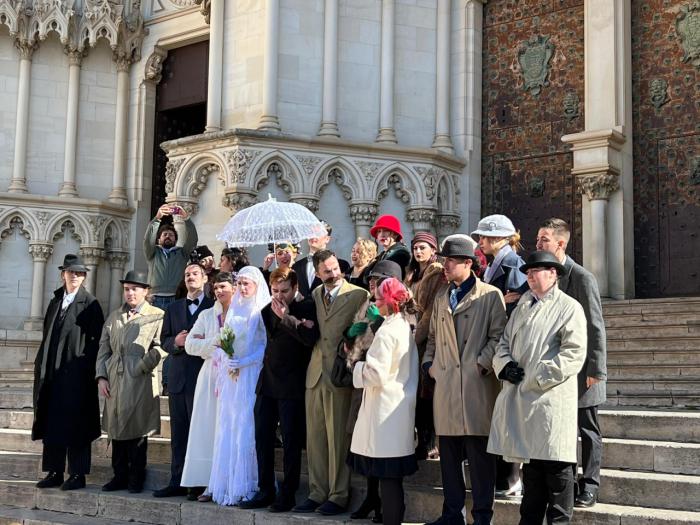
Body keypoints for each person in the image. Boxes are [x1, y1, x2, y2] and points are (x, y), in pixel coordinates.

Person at [488, 251, 587, 525]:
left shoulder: (569, 308)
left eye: (537, 271)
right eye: (528, 272)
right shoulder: (523, 305)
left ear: (553, 274)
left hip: (550, 405)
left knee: (558, 484)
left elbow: (573, 354)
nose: (529, 276)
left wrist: (535, 376)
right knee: (531, 492)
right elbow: (504, 343)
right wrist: (504, 365)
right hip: (525, 408)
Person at [422, 237, 507, 525]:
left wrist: (481, 364)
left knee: (480, 460)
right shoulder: (441, 297)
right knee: (448, 459)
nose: (444, 265)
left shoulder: (490, 295)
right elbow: (433, 338)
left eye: (450, 261)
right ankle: (452, 514)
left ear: (468, 263)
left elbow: (499, 336)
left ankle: (483, 517)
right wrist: (429, 365)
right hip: (446, 387)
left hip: (476, 388)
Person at [536, 218, 607, 508]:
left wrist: (595, 369)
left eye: (544, 240)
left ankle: (589, 485)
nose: (538, 244)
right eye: (538, 239)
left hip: (583, 371)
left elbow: (595, 326)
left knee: (588, 429)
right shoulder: (545, 276)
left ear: (560, 243)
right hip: (557, 370)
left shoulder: (582, 277)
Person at [293, 250, 369, 515]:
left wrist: (351, 357)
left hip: (339, 374)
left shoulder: (358, 294)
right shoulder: (315, 294)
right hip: (315, 375)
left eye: (336, 268)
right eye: (327, 271)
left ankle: (338, 494)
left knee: (337, 436)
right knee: (314, 438)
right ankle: (317, 492)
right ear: (317, 273)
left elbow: (364, 332)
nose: (334, 274)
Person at [240, 268, 319, 512]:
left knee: (291, 442)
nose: (279, 295)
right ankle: (265, 489)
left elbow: (309, 338)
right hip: (268, 382)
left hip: (292, 384)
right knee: (262, 437)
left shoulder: (306, 306)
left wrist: (287, 317)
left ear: (295, 287)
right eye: (275, 290)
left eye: (284, 290)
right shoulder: (267, 309)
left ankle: (288, 493)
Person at [348, 278, 419, 525]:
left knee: (388, 479)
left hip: (384, 411)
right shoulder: (400, 326)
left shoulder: (388, 331)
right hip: (396, 408)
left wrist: (356, 367)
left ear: (390, 301)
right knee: (391, 479)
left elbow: (376, 373)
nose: (375, 302)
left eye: (379, 298)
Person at [32, 254, 105, 491]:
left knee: (77, 423)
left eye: (79, 273)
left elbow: (96, 343)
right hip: (51, 372)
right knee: (52, 421)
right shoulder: (55, 301)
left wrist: (88, 372)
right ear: (63, 274)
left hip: (76, 374)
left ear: (84, 277)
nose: (75, 277)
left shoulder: (91, 304)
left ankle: (77, 474)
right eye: (71, 272)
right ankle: (54, 471)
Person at [471, 213, 528, 497]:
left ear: (499, 238)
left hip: (507, 346)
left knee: (509, 414)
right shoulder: (494, 263)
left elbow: (515, 303)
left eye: (484, 237)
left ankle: (513, 476)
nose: (480, 242)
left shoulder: (512, 263)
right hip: (498, 344)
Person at [96, 270, 165, 494]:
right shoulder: (114, 316)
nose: (130, 293)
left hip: (141, 378)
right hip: (115, 378)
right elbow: (103, 348)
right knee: (116, 427)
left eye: (135, 288)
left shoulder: (157, 315)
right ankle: (119, 475)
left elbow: (160, 346)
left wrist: (142, 365)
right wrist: (101, 376)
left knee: (137, 428)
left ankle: (136, 476)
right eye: (127, 289)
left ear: (146, 291)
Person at [345, 259, 403, 523]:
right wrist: (351, 336)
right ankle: (371, 498)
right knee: (366, 451)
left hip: (380, 389)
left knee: (383, 460)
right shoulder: (368, 306)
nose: (371, 284)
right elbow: (353, 339)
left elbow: (381, 364)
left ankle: (384, 508)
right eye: (370, 278)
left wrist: (357, 366)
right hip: (366, 388)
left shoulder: (394, 321)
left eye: (378, 280)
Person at [208, 266, 270, 506]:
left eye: (247, 284)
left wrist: (244, 361)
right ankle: (227, 483)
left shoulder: (260, 310)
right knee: (229, 426)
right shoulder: (234, 309)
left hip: (251, 374)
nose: (243, 288)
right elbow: (224, 339)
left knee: (246, 426)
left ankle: (248, 484)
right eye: (240, 283)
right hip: (232, 374)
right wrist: (227, 358)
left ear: (256, 286)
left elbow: (264, 345)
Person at [153, 263, 215, 498]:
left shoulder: (213, 307)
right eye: (187, 274)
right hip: (178, 378)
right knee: (179, 434)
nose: (190, 277)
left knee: (200, 433)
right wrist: (177, 343)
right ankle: (176, 480)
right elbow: (165, 341)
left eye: (195, 274)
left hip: (202, 377)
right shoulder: (174, 308)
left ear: (204, 278)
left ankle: (197, 483)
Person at [181, 272, 237, 501]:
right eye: (215, 288)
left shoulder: (241, 312)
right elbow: (189, 344)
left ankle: (226, 480)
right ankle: (202, 480)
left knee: (227, 429)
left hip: (234, 376)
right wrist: (213, 344)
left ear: (233, 287)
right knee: (205, 428)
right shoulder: (206, 315)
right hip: (209, 375)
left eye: (223, 286)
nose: (219, 291)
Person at [404, 232, 447, 460]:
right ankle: (418, 440)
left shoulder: (437, 273)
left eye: (423, 248)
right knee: (414, 390)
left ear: (433, 249)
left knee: (426, 391)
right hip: (408, 332)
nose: (418, 252)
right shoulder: (411, 274)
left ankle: (430, 443)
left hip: (426, 338)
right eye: (415, 248)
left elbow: (431, 309)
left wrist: (416, 337)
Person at [143, 203, 198, 310]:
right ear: (159, 240)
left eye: (171, 235)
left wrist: (185, 217)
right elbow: (147, 240)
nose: (168, 236)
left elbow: (193, 239)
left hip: (176, 297)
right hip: (155, 298)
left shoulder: (182, 253)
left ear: (175, 240)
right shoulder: (152, 253)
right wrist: (157, 218)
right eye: (165, 235)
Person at [292, 221, 350, 298]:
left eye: (318, 234)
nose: (313, 236)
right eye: (311, 233)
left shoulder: (341, 265)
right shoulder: (297, 266)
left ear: (327, 239)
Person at [368, 214, 411, 279]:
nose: (382, 235)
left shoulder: (400, 253)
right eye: (379, 231)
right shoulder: (382, 254)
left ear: (395, 235)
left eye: (386, 230)